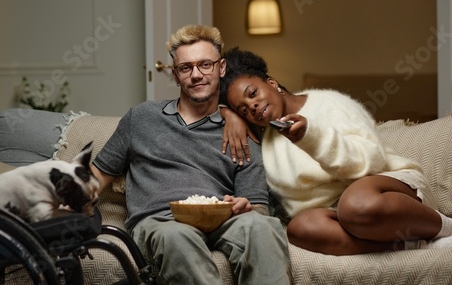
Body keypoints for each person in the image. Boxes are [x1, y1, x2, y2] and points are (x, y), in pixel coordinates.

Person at [90, 25, 291, 284]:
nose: (196, 75)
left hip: (222, 218)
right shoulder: (141, 118)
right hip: (161, 221)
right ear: (175, 75)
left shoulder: (241, 132)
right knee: (177, 237)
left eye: (205, 65)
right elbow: (98, 174)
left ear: (221, 68)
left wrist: (246, 207)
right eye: (186, 68)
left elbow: (259, 207)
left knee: (262, 228)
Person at [219, 47, 452, 256]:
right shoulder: (263, 139)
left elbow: (371, 161)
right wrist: (227, 114)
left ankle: (444, 227)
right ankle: (415, 246)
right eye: (244, 110)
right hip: (338, 213)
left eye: (253, 94)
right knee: (300, 228)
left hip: (387, 189)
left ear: (271, 83)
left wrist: (310, 136)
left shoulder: (329, 102)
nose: (253, 106)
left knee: (356, 205)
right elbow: (195, 107)